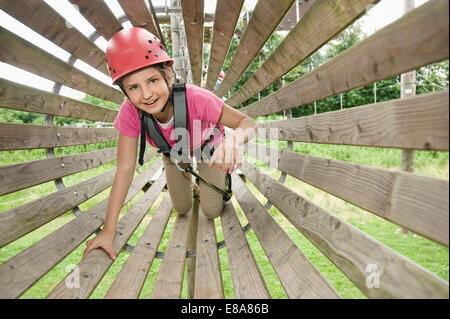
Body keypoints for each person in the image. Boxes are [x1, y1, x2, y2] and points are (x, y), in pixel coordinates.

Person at [83, 27, 256, 260]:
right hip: (175, 153)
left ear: (169, 76)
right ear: (125, 91)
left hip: (208, 146)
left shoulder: (196, 98)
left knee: (212, 209)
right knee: (182, 208)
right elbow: (124, 168)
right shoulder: (130, 112)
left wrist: (233, 140)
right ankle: (196, 186)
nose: (146, 94)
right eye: (134, 87)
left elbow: (247, 123)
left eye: (152, 80)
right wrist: (108, 231)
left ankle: (212, 183)